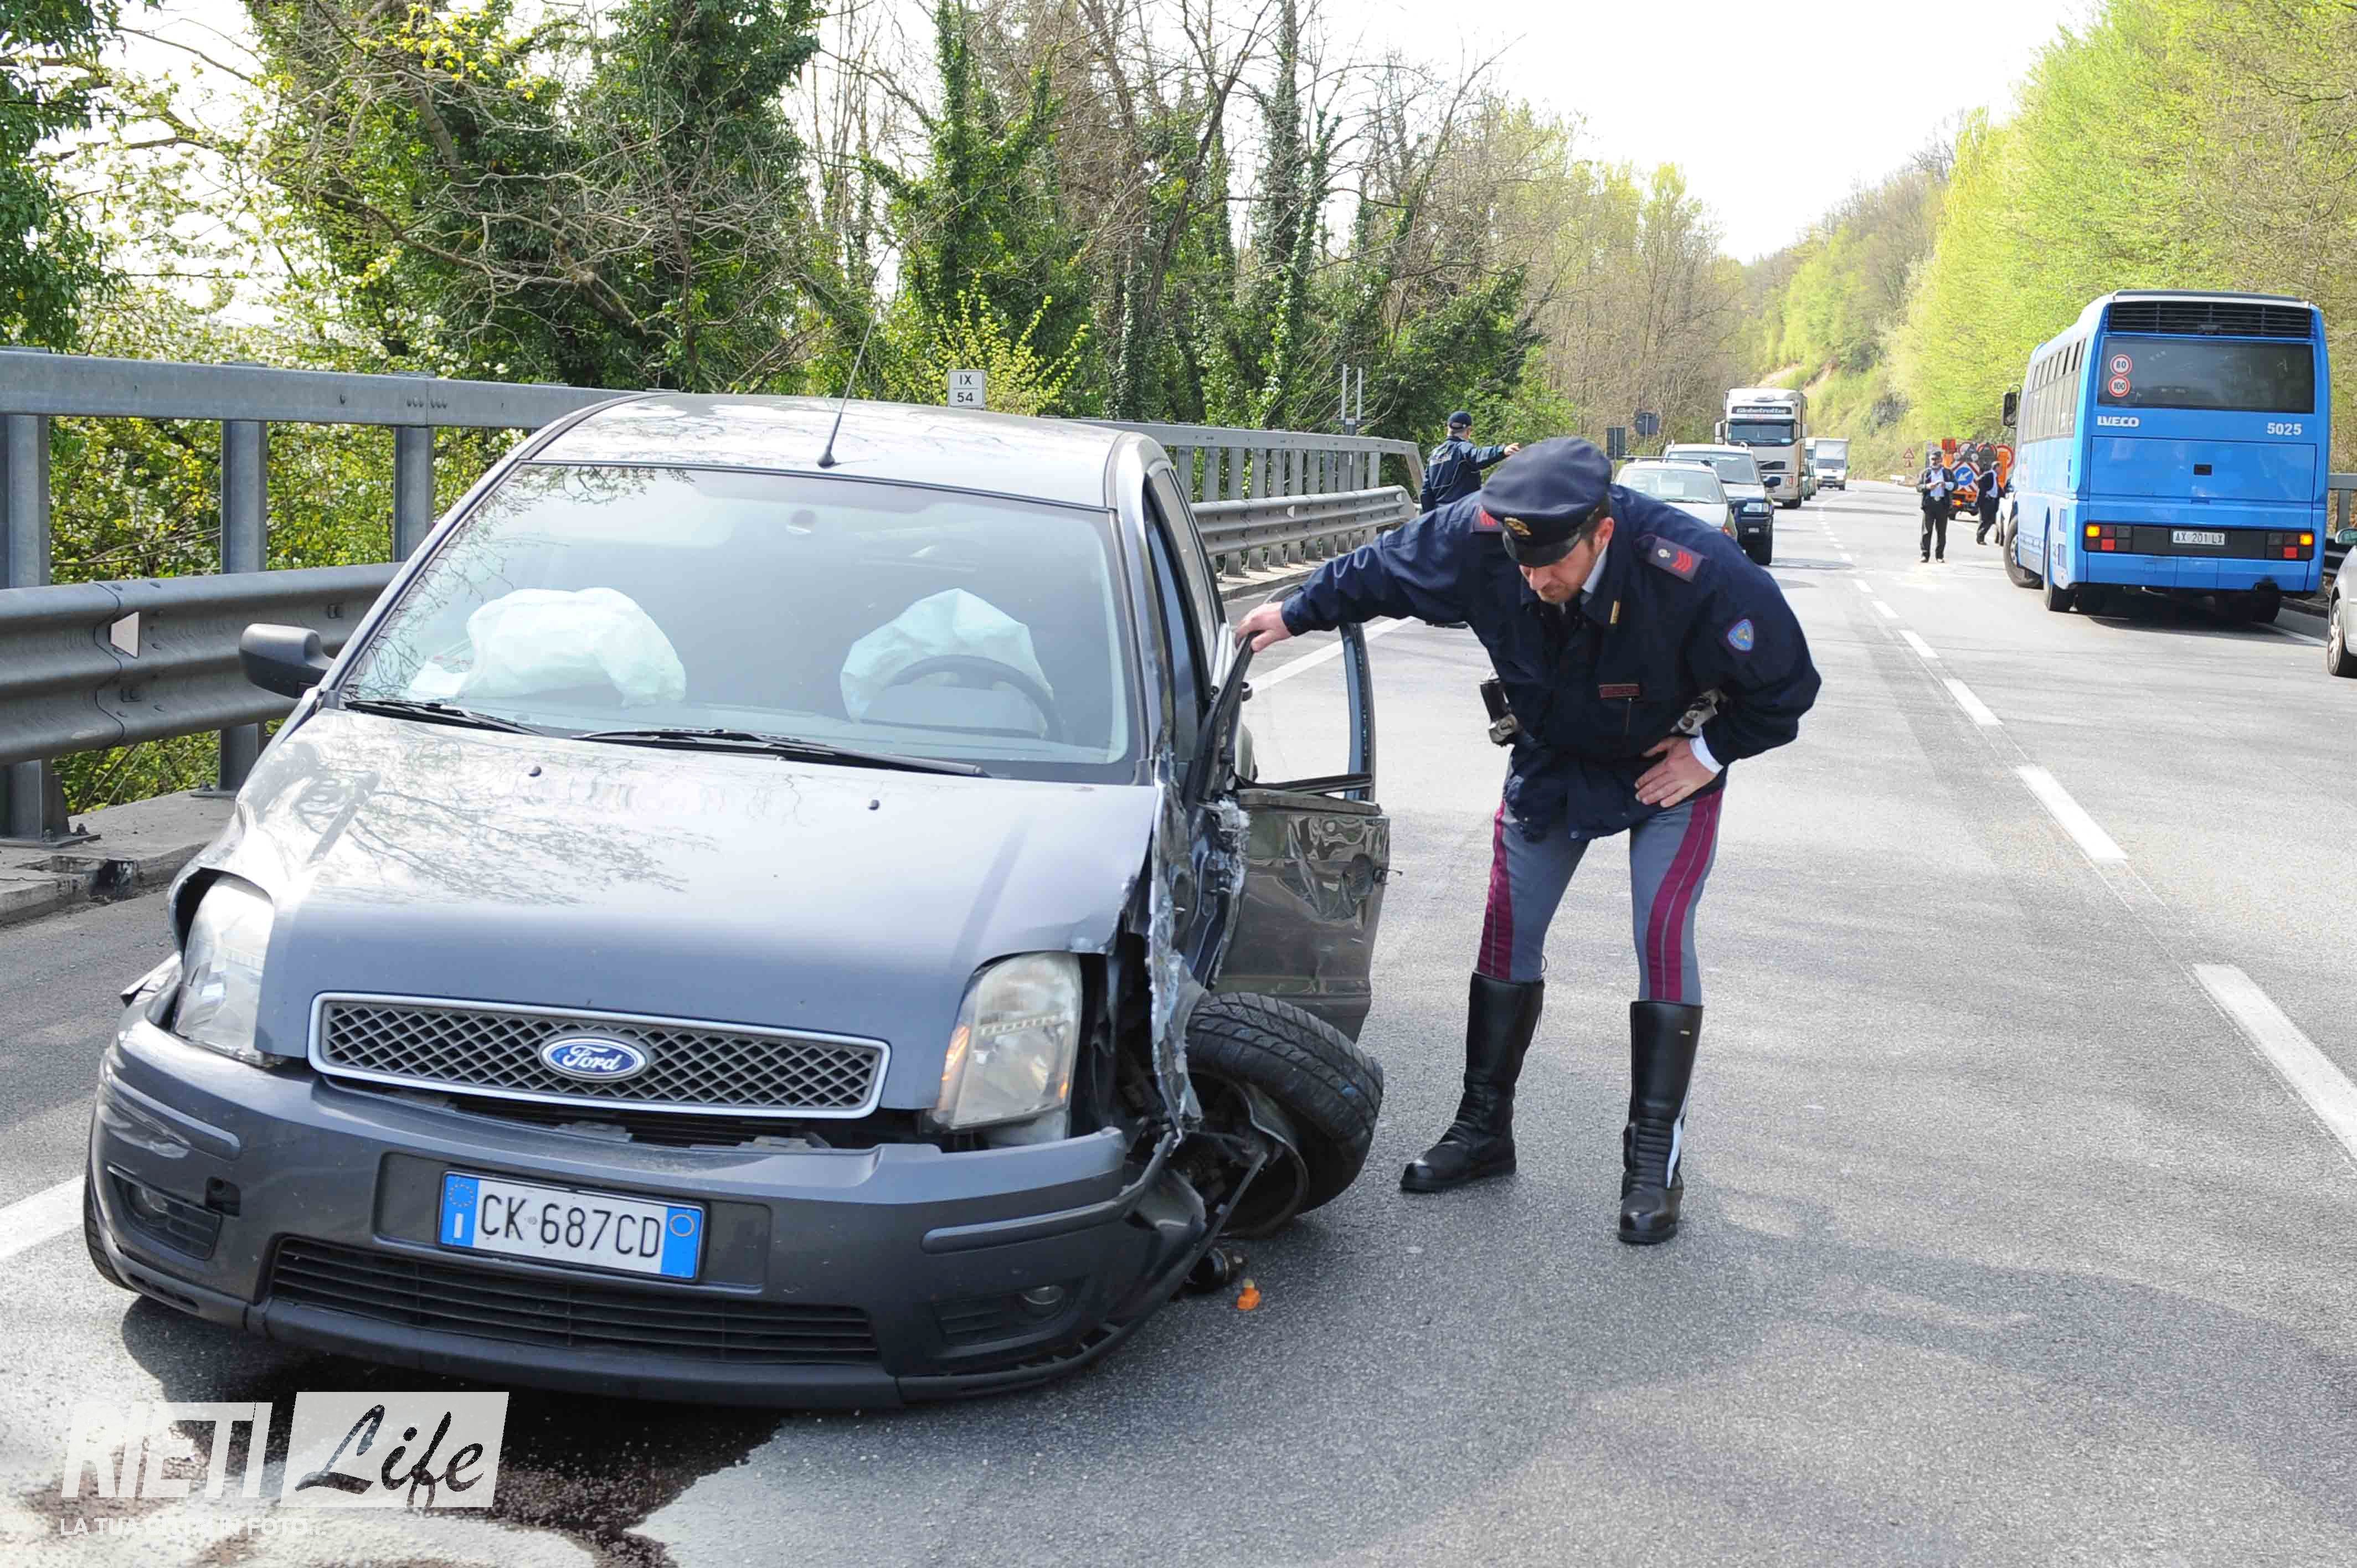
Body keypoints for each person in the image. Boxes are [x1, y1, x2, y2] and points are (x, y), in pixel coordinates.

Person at [1234, 439, 1820, 1244]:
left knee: (1661, 933)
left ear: (1602, 535)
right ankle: (1483, 1131)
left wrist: (1708, 754)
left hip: (1663, 769)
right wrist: (1292, 611)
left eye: (1552, 566)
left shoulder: (1696, 568)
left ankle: (1652, 1161)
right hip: (1552, 761)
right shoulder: (1482, 537)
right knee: (1508, 934)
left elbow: (1790, 684)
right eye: (1521, 565)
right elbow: (1381, 569)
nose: (1534, 581)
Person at [1420, 411, 1520, 513]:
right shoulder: (1463, 447)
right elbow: (1478, 455)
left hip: (1440, 517)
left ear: (1448, 428)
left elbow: (1426, 492)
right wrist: (1502, 451)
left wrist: (1429, 519)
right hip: (1461, 514)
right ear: (1468, 431)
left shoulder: (1434, 455)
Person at [1917, 452, 1952, 562]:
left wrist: (1946, 485)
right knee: (1927, 531)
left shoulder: (1947, 473)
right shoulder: (1925, 473)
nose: (1934, 462)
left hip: (1942, 504)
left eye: (1937, 459)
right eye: (1932, 459)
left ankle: (1940, 556)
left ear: (1941, 460)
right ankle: (1925, 555)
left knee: (1941, 532)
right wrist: (1927, 486)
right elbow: (1918, 487)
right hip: (1929, 505)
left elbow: (1955, 485)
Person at [1974, 452, 2004, 545]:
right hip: (1986, 501)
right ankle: (1980, 538)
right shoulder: (1989, 474)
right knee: (1985, 520)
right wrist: (1985, 492)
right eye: (2000, 468)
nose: (2002, 470)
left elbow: (1996, 488)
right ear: (1996, 468)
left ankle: (1980, 536)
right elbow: (1979, 481)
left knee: (1991, 520)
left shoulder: (1995, 477)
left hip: (1992, 502)